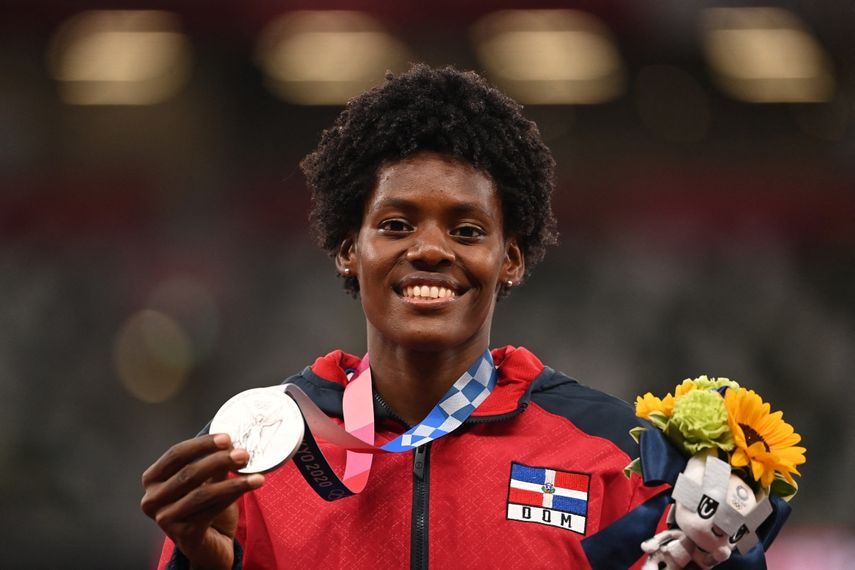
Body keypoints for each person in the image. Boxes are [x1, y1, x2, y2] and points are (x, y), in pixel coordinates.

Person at [140, 64, 663, 570]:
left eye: (467, 231)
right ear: (349, 248)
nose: (431, 249)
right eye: (395, 224)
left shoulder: (614, 453)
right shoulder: (257, 451)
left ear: (511, 259)